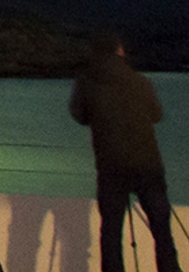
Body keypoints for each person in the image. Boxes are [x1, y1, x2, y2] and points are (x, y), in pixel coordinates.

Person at [69, 32, 179, 272]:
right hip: (147, 163)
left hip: (111, 165)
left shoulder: (86, 81)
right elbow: (157, 114)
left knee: (111, 231)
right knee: (161, 229)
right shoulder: (140, 81)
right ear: (119, 51)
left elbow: (79, 115)